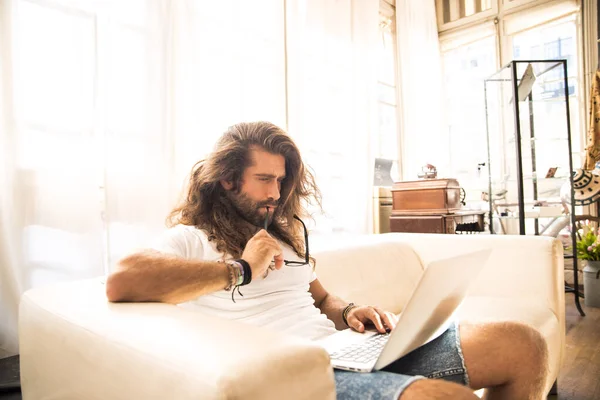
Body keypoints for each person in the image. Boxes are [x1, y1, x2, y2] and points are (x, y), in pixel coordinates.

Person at [106, 121, 549, 400]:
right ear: (225, 180)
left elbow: (320, 298)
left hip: (345, 352)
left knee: (523, 345)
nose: (276, 194)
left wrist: (350, 310)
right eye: (263, 179)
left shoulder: (285, 234)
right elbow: (123, 280)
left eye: (280, 180)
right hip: (295, 377)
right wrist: (240, 268)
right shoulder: (190, 238)